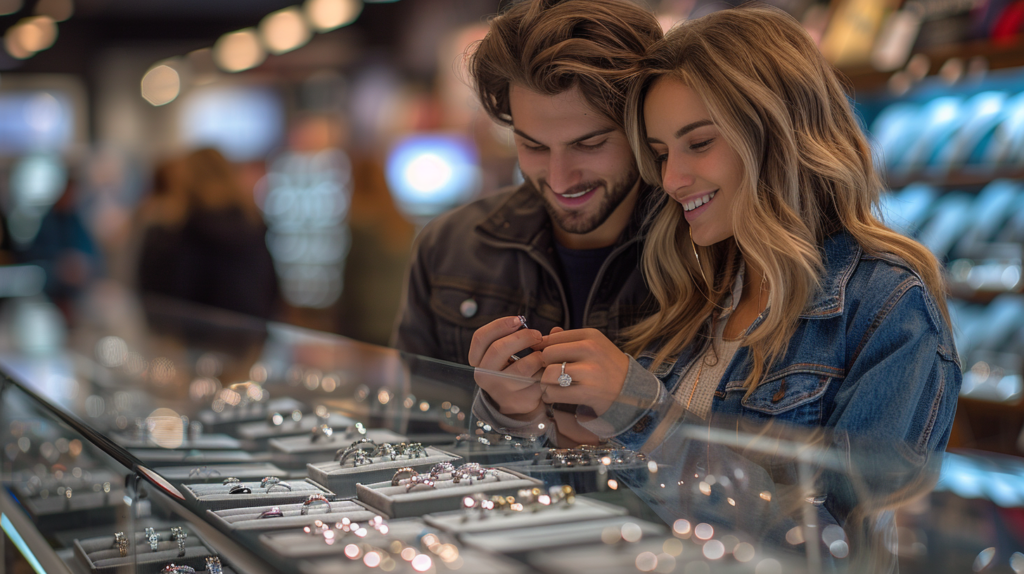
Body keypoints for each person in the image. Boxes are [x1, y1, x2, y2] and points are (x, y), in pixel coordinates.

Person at [473, 5, 961, 467]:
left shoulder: (887, 309)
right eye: (661, 153)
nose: (670, 180)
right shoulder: (696, 288)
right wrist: (516, 413)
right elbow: (615, 494)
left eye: (700, 143)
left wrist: (641, 411)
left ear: (779, 132)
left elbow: (837, 544)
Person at [391, 0, 663, 379]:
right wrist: (497, 420)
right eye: (533, 146)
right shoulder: (448, 247)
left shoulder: (702, 254)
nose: (559, 178)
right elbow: (418, 431)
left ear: (642, 128)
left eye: (589, 144)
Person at [136, 148, 279, 319]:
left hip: (202, 334)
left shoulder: (188, 227)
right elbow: (272, 287)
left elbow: (177, 289)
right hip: (252, 329)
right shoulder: (252, 219)